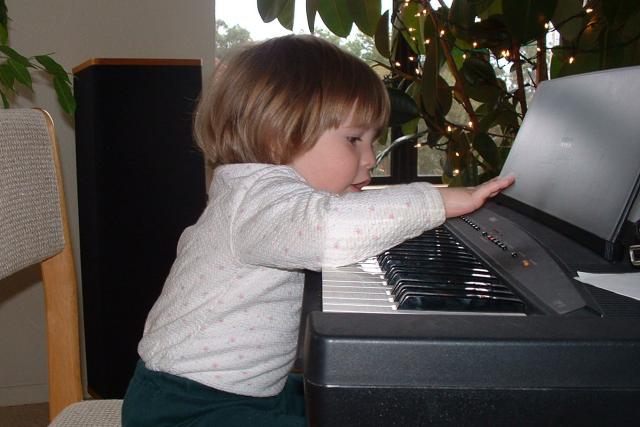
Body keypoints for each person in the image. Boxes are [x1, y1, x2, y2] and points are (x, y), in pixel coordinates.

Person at [121, 34, 514, 426]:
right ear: (281, 132)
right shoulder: (258, 198)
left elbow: (341, 213)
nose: (371, 158)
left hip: (241, 394)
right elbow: (327, 228)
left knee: (352, 403)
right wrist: (439, 201)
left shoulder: (261, 191)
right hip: (187, 407)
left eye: (373, 141)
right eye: (354, 139)